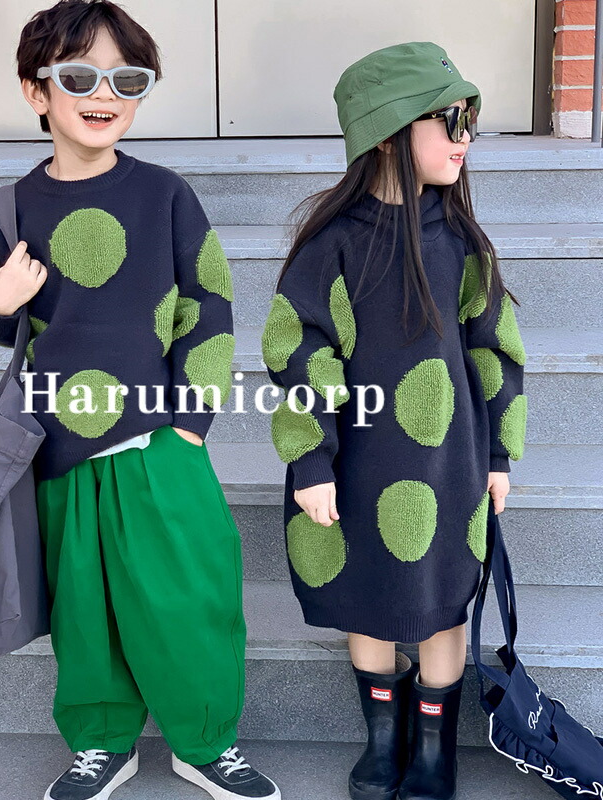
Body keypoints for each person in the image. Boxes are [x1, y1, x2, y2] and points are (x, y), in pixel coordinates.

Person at [0, 2, 280, 799]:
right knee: (84, 608)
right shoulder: (10, 212)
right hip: (58, 448)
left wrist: (191, 423)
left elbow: (208, 303)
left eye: (126, 79)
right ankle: (103, 741)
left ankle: (205, 740)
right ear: (36, 92)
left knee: (189, 595)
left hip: (156, 442)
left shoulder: (164, 196)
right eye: (79, 77)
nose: (103, 93)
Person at [260, 42, 527, 800]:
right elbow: (299, 351)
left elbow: (496, 351)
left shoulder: (463, 243)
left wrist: (499, 454)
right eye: (448, 119)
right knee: (370, 591)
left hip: (449, 461)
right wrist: (311, 461)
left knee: (442, 599)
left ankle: (435, 748)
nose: (465, 136)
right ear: (386, 133)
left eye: (470, 119)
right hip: (358, 461)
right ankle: (383, 737)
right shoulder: (334, 245)